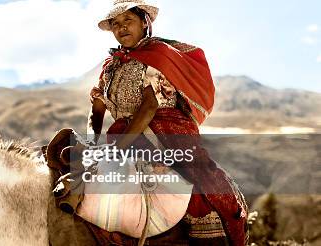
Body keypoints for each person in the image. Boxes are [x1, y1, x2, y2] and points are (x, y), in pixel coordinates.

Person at [86, 0, 248, 245]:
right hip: (125, 134)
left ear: (144, 22)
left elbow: (149, 107)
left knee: (199, 186)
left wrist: (116, 151)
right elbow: (96, 110)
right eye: (115, 24)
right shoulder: (110, 68)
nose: (121, 28)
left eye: (128, 20)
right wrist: (92, 143)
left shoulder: (157, 57)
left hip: (165, 129)